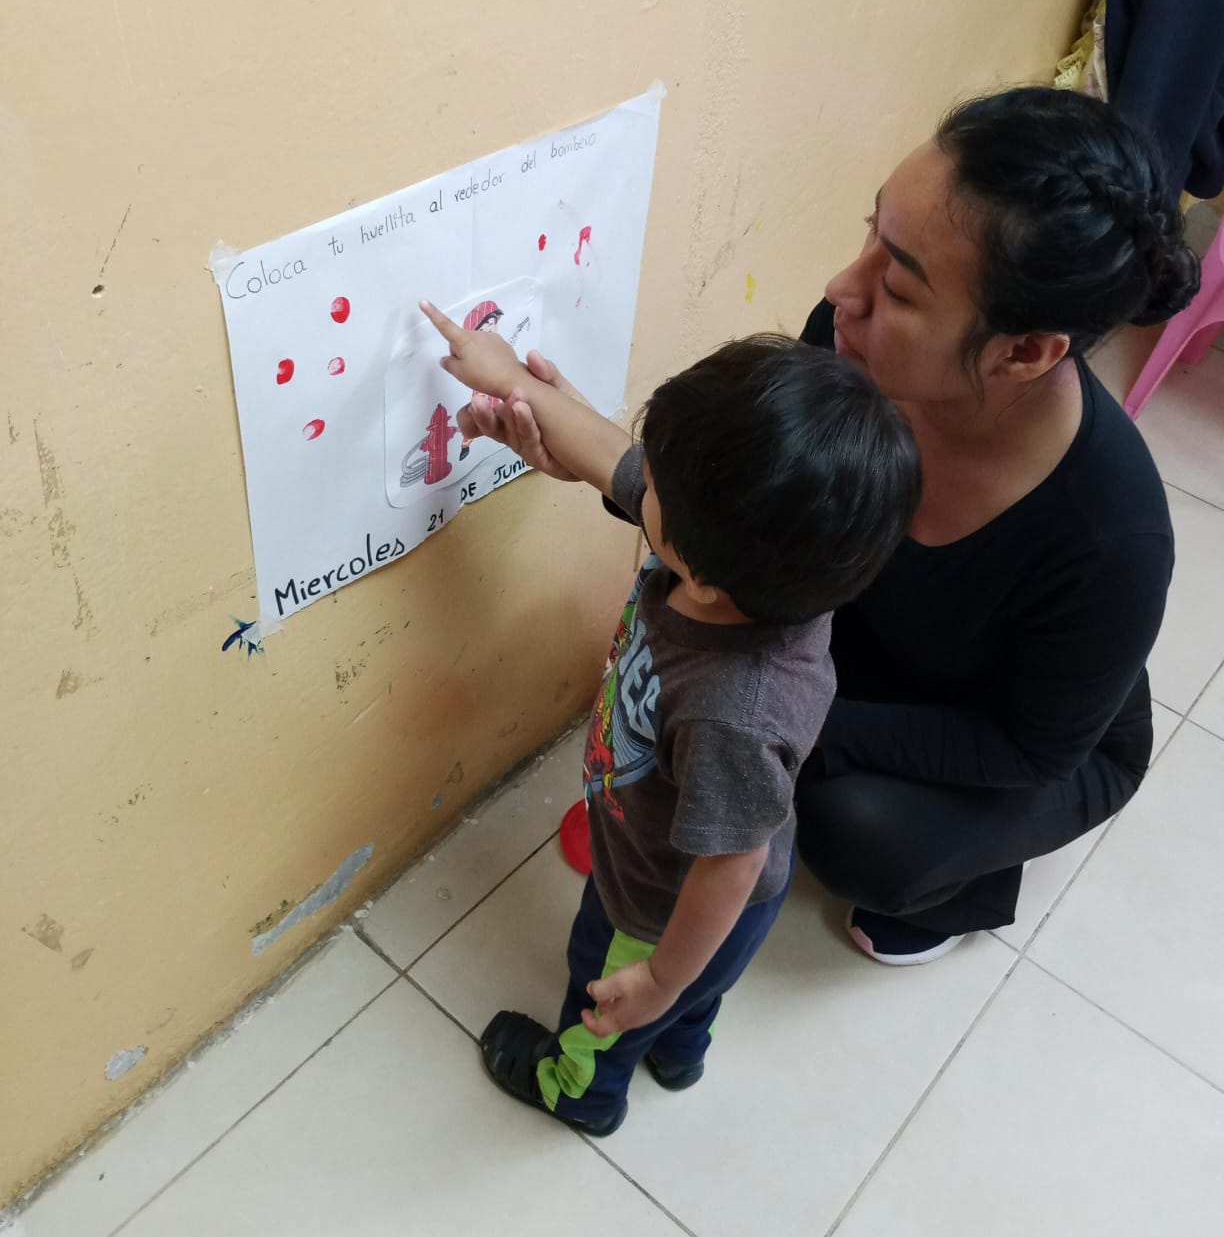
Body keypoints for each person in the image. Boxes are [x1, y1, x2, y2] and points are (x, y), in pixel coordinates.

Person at [456, 87, 1201, 968]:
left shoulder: (1111, 540)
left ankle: (962, 886)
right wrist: (535, 403)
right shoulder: (852, 350)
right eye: (870, 234)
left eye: (898, 286)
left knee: (855, 831)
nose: (841, 290)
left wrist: (771, 731)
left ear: (1025, 351)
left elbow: (1028, 743)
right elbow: (733, 510)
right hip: (879, 642)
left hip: (1024, 736)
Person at [419, 300, 921, 1133]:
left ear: (705, 573)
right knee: (699, 991)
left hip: (657, 905)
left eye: (656, 486)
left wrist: (656, 977)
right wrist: (511, 381)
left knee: (608, 1000)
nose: (639, 480)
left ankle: (580, 1091)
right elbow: (612, 464)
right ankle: (681, 1049)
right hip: (715, 887)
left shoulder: (735, 709)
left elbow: (728, 868)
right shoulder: (771, 562)